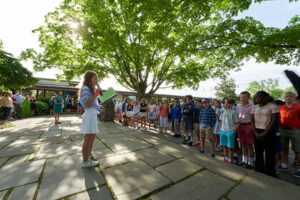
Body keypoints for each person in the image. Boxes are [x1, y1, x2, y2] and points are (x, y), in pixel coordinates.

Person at [250, 91, 279, 177]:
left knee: (269, 153)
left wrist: (265, 132)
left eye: (259, 97)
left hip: (268, 132)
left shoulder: (273, 107)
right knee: (258, 152)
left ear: (266, 97)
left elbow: (273, 121)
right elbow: (252, 119)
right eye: (256, 97)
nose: (257, 99)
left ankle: (270, 172)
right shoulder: (254, 107)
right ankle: (259, 169)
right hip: (256, 131)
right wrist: (255, 131)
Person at [80, 71, 101, 168]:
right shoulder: (85, 88)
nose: (96, 81)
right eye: (95, 78)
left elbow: (92, 104)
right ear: (89, 79)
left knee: (91, 138)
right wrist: (96, 93)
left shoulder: (90, 89)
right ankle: (85, 161)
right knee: (88, 138)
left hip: (92, 114)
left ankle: (88, 158)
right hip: (89, 115)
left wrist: (99, 106)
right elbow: (87, 103)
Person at [277, 92, 300, 178]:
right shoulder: (280, 108)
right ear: (284, 98)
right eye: (286, 97)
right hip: (282, 130)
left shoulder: (298, 108)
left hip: (295, 131)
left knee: (297, 150)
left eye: (290, 97)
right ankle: (284, 165)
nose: (288, 98)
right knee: (284, 148)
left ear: (294, 99)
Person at [236, 91, 255, 169]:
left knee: (249, 145)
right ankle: (244, 161)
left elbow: (253, 118)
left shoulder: (252, 106)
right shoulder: (238, 106)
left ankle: (251, 163)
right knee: (242, 144)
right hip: (240, 126)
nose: (242, 99)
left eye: (244, 97)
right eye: (241, 97)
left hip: (249, 126)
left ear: (248, 98)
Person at [219, 98, 240, 164]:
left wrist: (233, 131)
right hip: (223, 131)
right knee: (224, 146)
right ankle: (226, 157)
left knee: (230, 146)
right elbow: (221, 121)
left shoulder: (234, 112)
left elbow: (238, 123)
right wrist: (220, 129)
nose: (225, 104)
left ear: (232, 104)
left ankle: (230, 158)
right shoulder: (223, 112)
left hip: (230, 132)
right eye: (225, 103)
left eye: (227, 103)